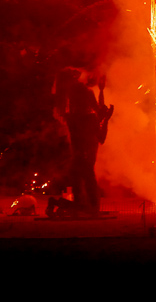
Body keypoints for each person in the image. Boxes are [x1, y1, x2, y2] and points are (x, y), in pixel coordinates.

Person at [53, 68, 114, 216]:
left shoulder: (73, 118)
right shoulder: (83, 118)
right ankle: (89, 206)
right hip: (83, 158)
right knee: (84, 175)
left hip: (81, 158)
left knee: (81, 175)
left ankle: (86, 205)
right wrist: (105, 117)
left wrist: (100, 92)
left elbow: (99, 115)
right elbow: (101, 134)